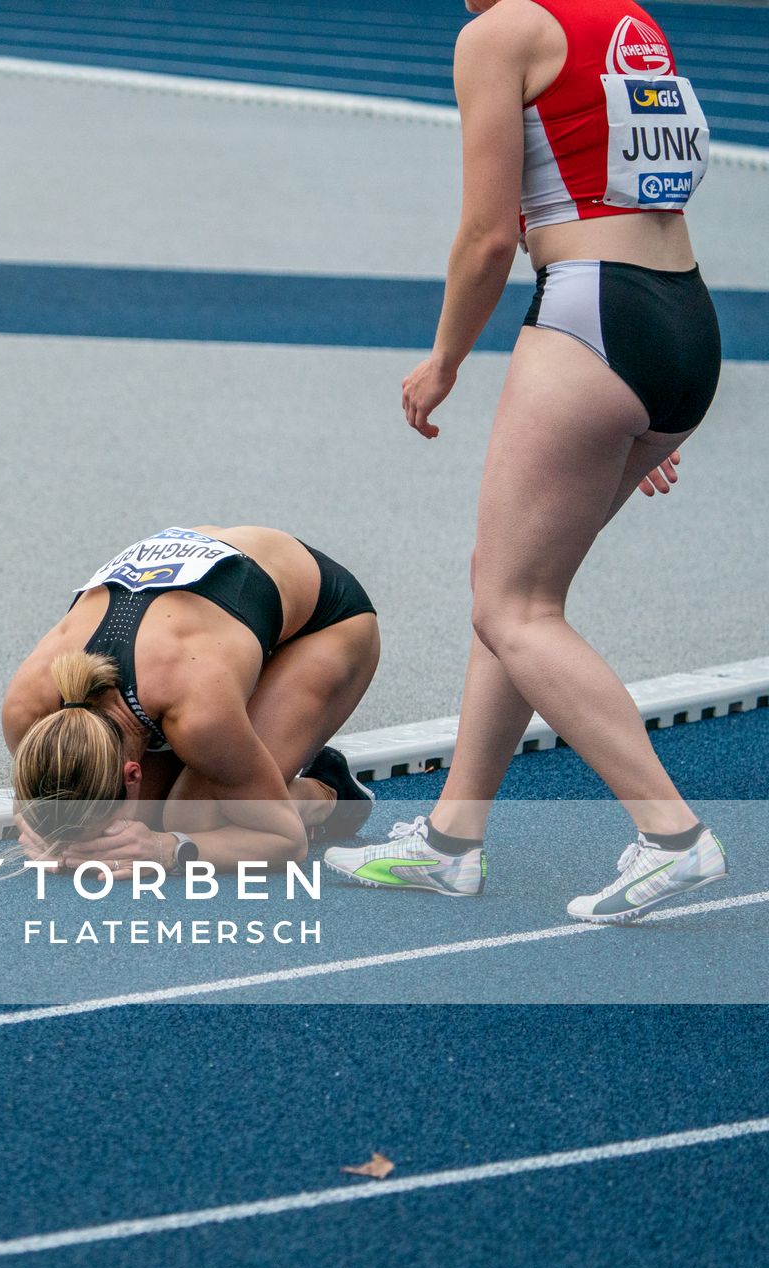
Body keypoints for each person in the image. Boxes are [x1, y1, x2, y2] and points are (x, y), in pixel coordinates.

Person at [325, 0, 726, 921]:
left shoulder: (499, 34)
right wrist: (627, 415)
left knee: (514, 606)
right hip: (682, 325)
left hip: (593, 314)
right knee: (510, 594)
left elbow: (488, 236)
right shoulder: (630, 18)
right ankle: (452, 841)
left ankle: (674, 835)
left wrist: (445, 359)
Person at [3, 526, 380, 874]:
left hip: (325, 622)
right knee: (146, 819)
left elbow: (286, 841)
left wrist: (166, 850)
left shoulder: (199, 716)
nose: (92, 846)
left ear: (131, 773)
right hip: (211, 614)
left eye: (97, 834)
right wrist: (44, 835)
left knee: (190, 820)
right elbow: (33, 799)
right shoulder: (26, 714)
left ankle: (330, 791)